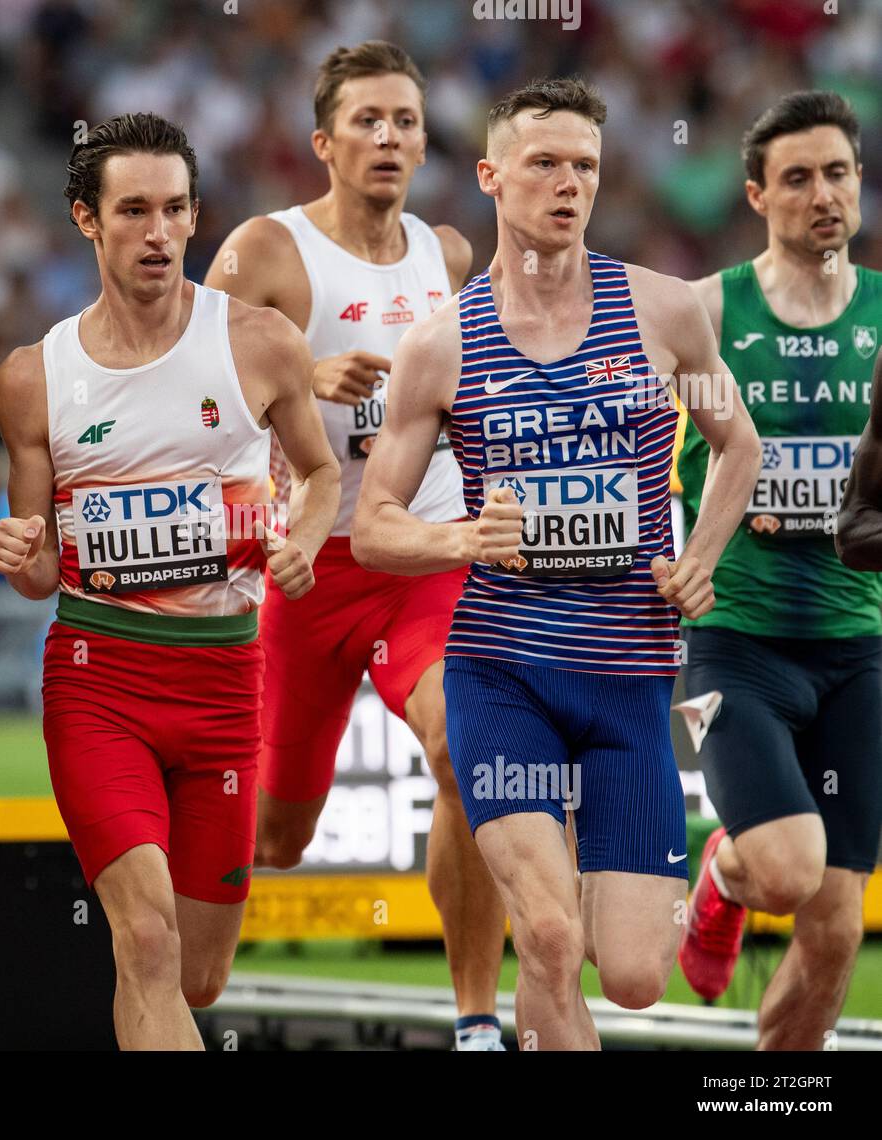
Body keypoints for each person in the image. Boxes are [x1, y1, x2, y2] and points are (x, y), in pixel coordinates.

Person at [351, 77, 761, 1049]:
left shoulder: (666, 315)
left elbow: (736, 445)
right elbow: (373, 526)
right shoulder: (441, 343)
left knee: (626, 973)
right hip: (502, 677)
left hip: (628, 682)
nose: (567, 182)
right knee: (543, 934)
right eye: (543, 163)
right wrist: (461, 540)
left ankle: (698, 886)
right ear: (490, 177)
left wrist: (699, 557)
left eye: (584, 165)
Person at [0, 112, 339, 1050]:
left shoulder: (262, 342)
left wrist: (303, 535)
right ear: (85, 220)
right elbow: (41, 571)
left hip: (226, 683)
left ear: (195, 217)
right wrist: (27, 561)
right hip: (99, 680)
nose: (157, 232)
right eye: (132, 210)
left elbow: (322, 474)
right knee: (143, 937)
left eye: (175, 209)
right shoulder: (36, 376)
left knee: (196, 975)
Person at [205, 39, 508, 1050]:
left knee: (466, 754)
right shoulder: (266, 250)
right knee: (277, 839)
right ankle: (141, 887)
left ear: (425, 140)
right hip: (307, 572)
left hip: (420, 556)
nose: (388, 137)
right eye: (367, 121)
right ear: (322, 143)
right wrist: (300, 381)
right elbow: (186, 399)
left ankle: (473, 1021)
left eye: (405, 121)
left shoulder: (450, 256)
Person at [679, 91, 882, 1049]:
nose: (823, 196)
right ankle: (724, 874)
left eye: (838, 173)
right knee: (790, 871)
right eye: (797, 178)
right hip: (739, 646)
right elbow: (634, 454)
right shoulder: (709, 312)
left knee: (837, 931)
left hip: (858, 650)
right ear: (758, 195)